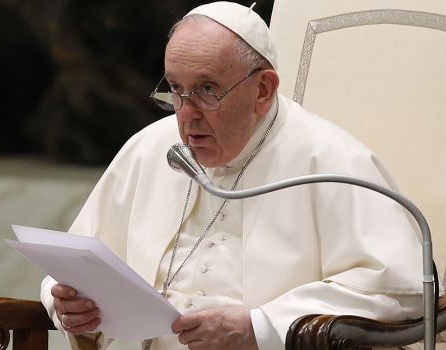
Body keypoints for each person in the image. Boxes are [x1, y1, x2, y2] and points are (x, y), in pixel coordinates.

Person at [41, 2, 424, 350]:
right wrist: (69, 304)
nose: (186, 114)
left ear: (263, 90)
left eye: (207, 90)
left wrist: (262, 328)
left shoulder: (331, 161)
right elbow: (78, 261)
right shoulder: (149, 148)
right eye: (176, 89)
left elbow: (400, 291)